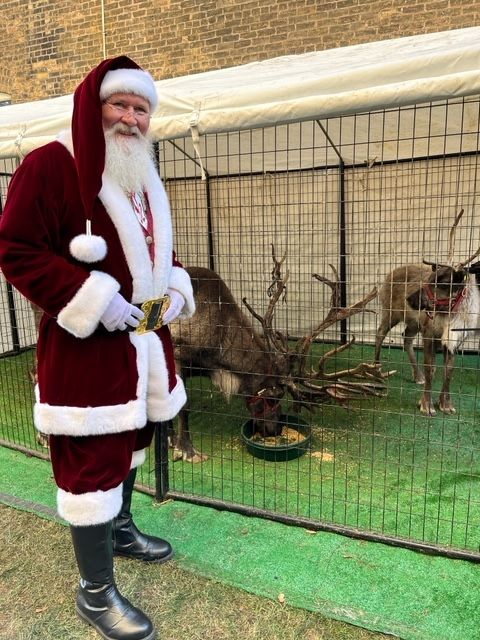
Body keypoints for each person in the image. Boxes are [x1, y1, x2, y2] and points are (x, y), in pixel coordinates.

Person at [0, 56, 195, 640]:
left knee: (132, 439)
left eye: (142, 109)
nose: (132, 119)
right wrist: (92, 298)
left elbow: (155, 255)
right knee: (89, 463)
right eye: (121, 105)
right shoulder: (50, 164)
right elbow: (15, 248)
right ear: (96, 106)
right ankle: (94, 593)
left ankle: (122, 528)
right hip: (85, 350)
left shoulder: (140, 174)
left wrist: (175, 288)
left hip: (142, 343)